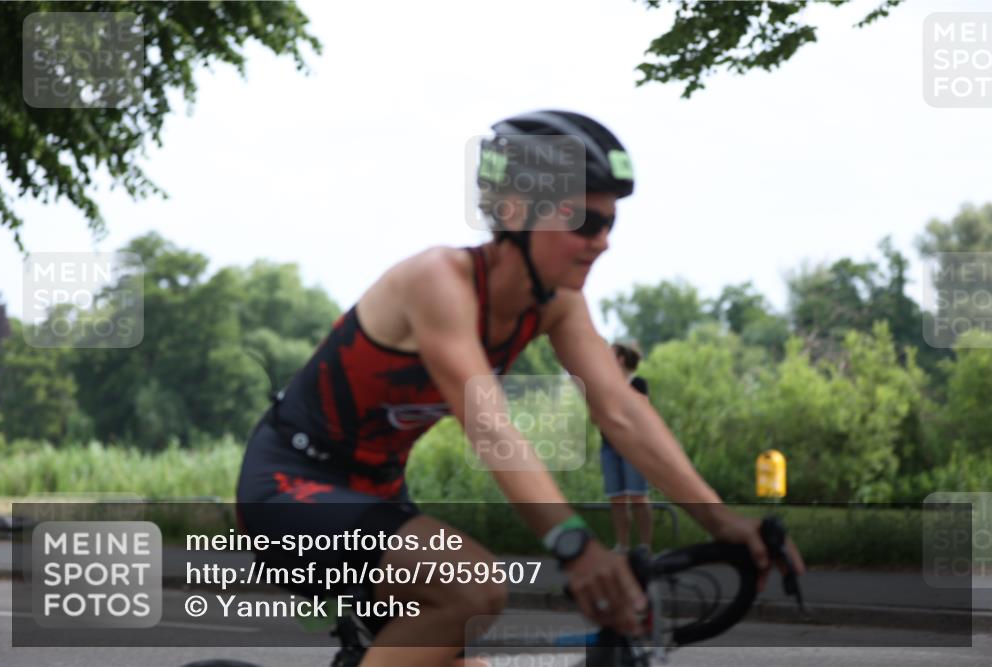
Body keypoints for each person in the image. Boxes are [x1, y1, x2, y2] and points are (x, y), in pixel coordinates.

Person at [235, 110, 804, 667]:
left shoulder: (557, 304)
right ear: (515, 213)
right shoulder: (437, 281)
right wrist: (573, 543)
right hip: (290, 486)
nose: (601, 241)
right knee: (473, 589)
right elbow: (488, 422)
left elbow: (621, 412)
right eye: (582, 221)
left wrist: (725, 523)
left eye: (610, 223)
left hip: (378, 495)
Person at [600, 341, 653, 553]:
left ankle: (645, 547)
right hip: (609, 447)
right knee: (617, 499)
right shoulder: (606, 385)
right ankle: (622, 545)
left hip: (633, 447)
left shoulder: (638, 383)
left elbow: (641, 412)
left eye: (610, 355)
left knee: (638, 496)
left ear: (620, 359)